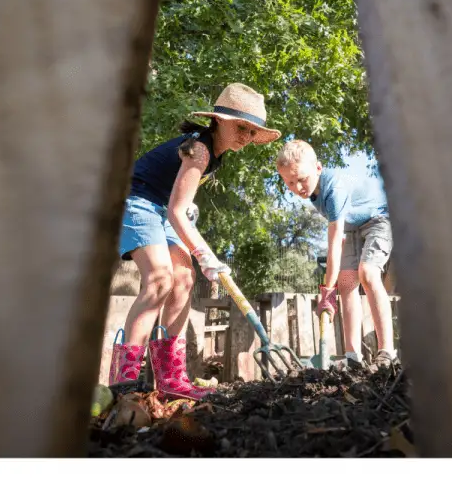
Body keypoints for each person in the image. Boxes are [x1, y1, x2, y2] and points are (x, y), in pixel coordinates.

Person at [109, 83, 281, 400]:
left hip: (164, 207)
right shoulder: (199, 148)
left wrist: (192, 220)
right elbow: (175, 209)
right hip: (139, 200)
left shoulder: (214, 155)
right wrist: (204, 252)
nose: (246, 136)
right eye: (241, 127)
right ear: (219, 120)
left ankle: (172, 379)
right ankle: (125, 381)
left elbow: (180, 202)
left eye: (252, 132)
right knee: (160, 278)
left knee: (184, 279)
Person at [276, 140, 397, 369]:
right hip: (352, 223)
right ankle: (353, 357)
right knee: (346, 283)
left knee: (368, 273)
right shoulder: (312, 191)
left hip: (379, 218)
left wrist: (326, 293)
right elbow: (339, 238)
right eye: (289, 182)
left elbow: (333, 244)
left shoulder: (335, 189)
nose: (297, 187)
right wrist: (333, 288)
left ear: (318, 168)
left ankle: (387, 352)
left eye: (302, 179)